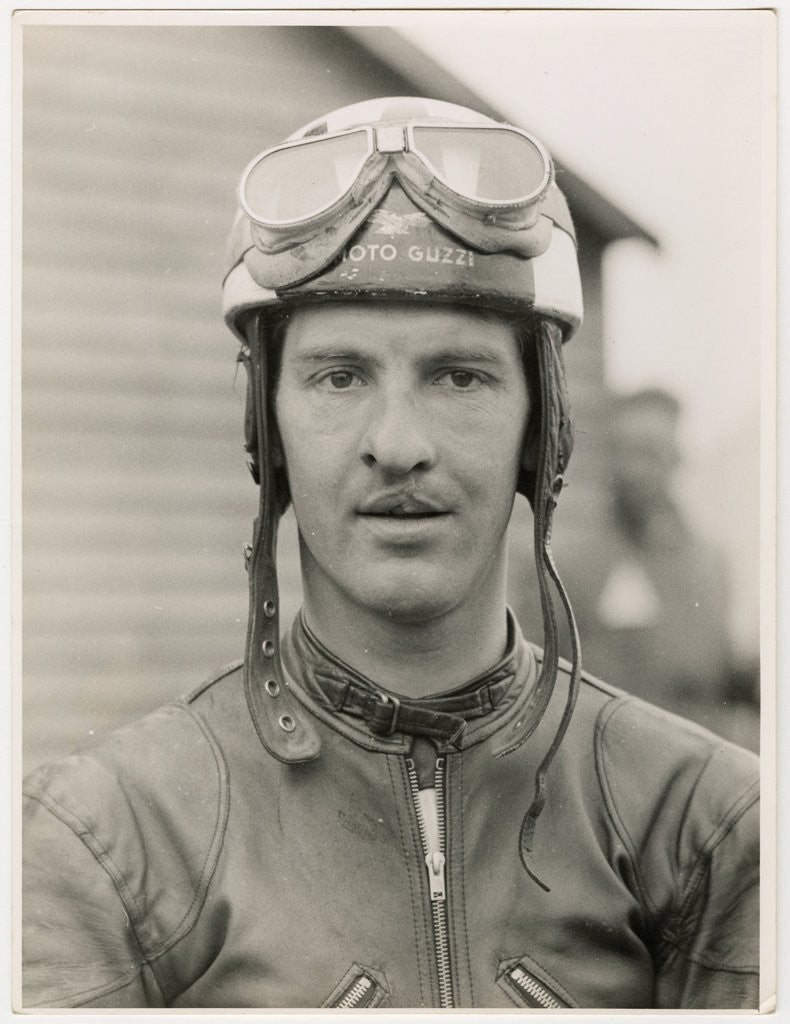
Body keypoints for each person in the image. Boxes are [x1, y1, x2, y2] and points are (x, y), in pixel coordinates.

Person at [22, 97, 759, 1010]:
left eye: (460, 375)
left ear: (542, 429)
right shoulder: (105, 839)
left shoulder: (712, 826)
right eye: (340, 376)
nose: (399, 443)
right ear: (269, 428)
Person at [510, 386, 759, 749]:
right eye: (622, 452)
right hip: (609, 764)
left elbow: (717, 676)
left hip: (699, 767)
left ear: (676, 457)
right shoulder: (565, 563)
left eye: (648, 453)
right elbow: (539, 686)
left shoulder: (710, 564)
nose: (633, 470)